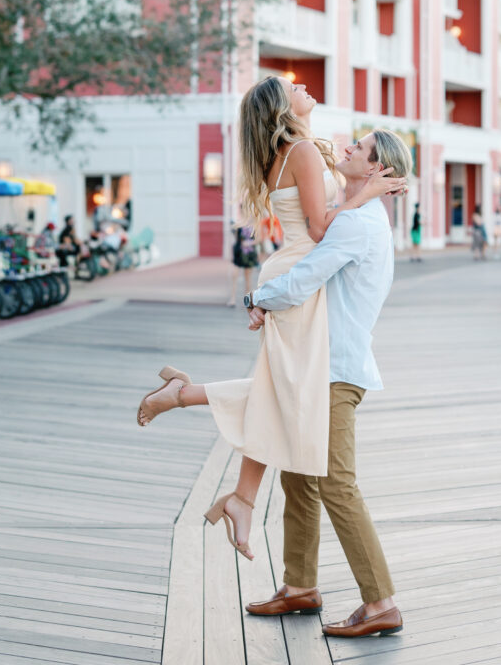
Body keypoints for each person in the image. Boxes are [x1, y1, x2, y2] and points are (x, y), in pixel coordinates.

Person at [136, 76, 403, 562]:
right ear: (283, 105)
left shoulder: (302, 147)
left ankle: (240, 493)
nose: (303, 85)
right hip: (301, 270)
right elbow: (323, 229)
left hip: (297, 269)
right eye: (293, 85)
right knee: (285, 391)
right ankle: (185, 403)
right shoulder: (300, 149)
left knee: (284, 391)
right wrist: (364, 197)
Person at [244, 129, 412, 638]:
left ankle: (380, 601)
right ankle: (300, 586)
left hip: (335, 371)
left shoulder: (359, 225)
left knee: (336, 483)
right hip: (324, 365)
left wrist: (257, 298)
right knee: (297, 473)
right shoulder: (359, 217)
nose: (346, 151)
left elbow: (306, 276)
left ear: (378, 168)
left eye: (358, 148)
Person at [227, 222, 259, 307]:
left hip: (249, 254)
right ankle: (232, 299)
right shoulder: (239, 223)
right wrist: (231, 254)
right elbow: (235, 240)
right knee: (234, 275)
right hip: (238, 253)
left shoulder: (255, 224)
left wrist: (249, 243)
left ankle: (247, 300)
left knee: (248, 278)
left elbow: (259, 239)